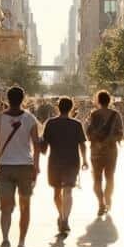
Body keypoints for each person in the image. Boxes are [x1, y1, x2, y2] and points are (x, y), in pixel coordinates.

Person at [0, 86, 40, 247]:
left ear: (7, 99)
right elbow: (36, 145)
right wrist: (36, 166)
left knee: (6, 208)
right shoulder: (30, 118)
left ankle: (4, 240)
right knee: (25, 207)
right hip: (25, 166)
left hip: (4, 167)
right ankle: (21, 244)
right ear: (23, 98)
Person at [40, 97, 88, 235]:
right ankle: (65, 218)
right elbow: (82, 144)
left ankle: (62, 216)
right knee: (68, 191)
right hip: (72, 162)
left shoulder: (51, 123)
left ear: (58, 107)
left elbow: (44, 144)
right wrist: (85, 160)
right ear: (71, 108)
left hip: (54, 161)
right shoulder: (76, 124)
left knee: (56, 193)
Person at [84, 90, 124, 217]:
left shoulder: (93, 114)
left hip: (96, 151)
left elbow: (88, 133)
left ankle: (101, 203)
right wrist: (111, 139)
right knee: (110, 177)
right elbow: (120, 133)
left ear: (98, 101)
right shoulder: (116, 115)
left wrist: (98, 141)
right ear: (109, 100)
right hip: (111, 151)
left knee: (97, 178)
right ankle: (108, 197)